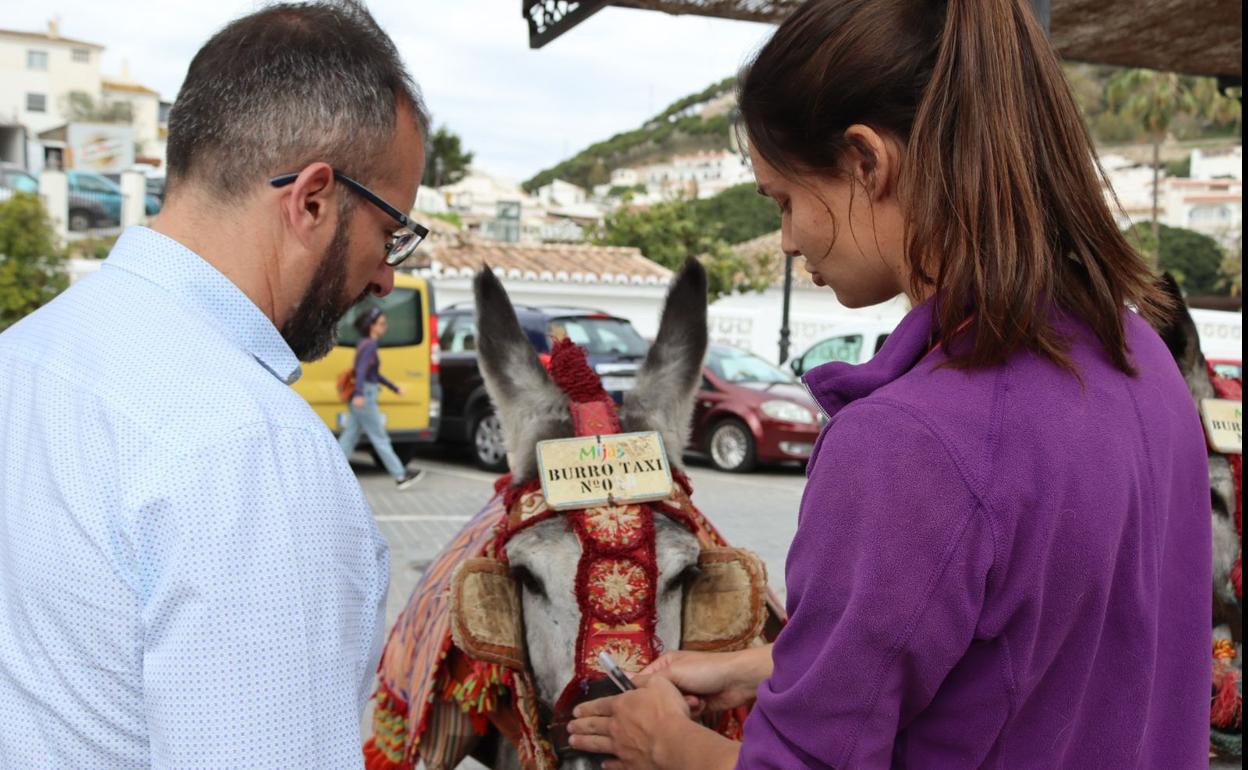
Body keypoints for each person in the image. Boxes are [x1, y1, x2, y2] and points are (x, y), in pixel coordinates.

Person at [567, 0, 1211, 768]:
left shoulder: (912, 443)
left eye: (786, 200)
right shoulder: (1140, 358)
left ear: (868, 162)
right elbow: (1044, 650)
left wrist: (667, 743)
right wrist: (766, 666)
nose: (786, 239)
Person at [0, 2, 431, 767]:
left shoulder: (27, 352)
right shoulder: (251, 450)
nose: (386, 273)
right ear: (313, 199)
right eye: (391, 230)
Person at [340, 307, 425, 488]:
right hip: (366, 397)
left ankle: (330, 471)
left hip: (364, 394)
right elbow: (361, 371)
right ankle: (400, 476)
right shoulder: (369, 345)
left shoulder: (364, 343)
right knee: (380, 438)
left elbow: (374, 374)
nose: (384, 327)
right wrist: (361, 394)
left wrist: (394, 388)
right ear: (371, 326)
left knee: (350, 436)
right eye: (381, 324)